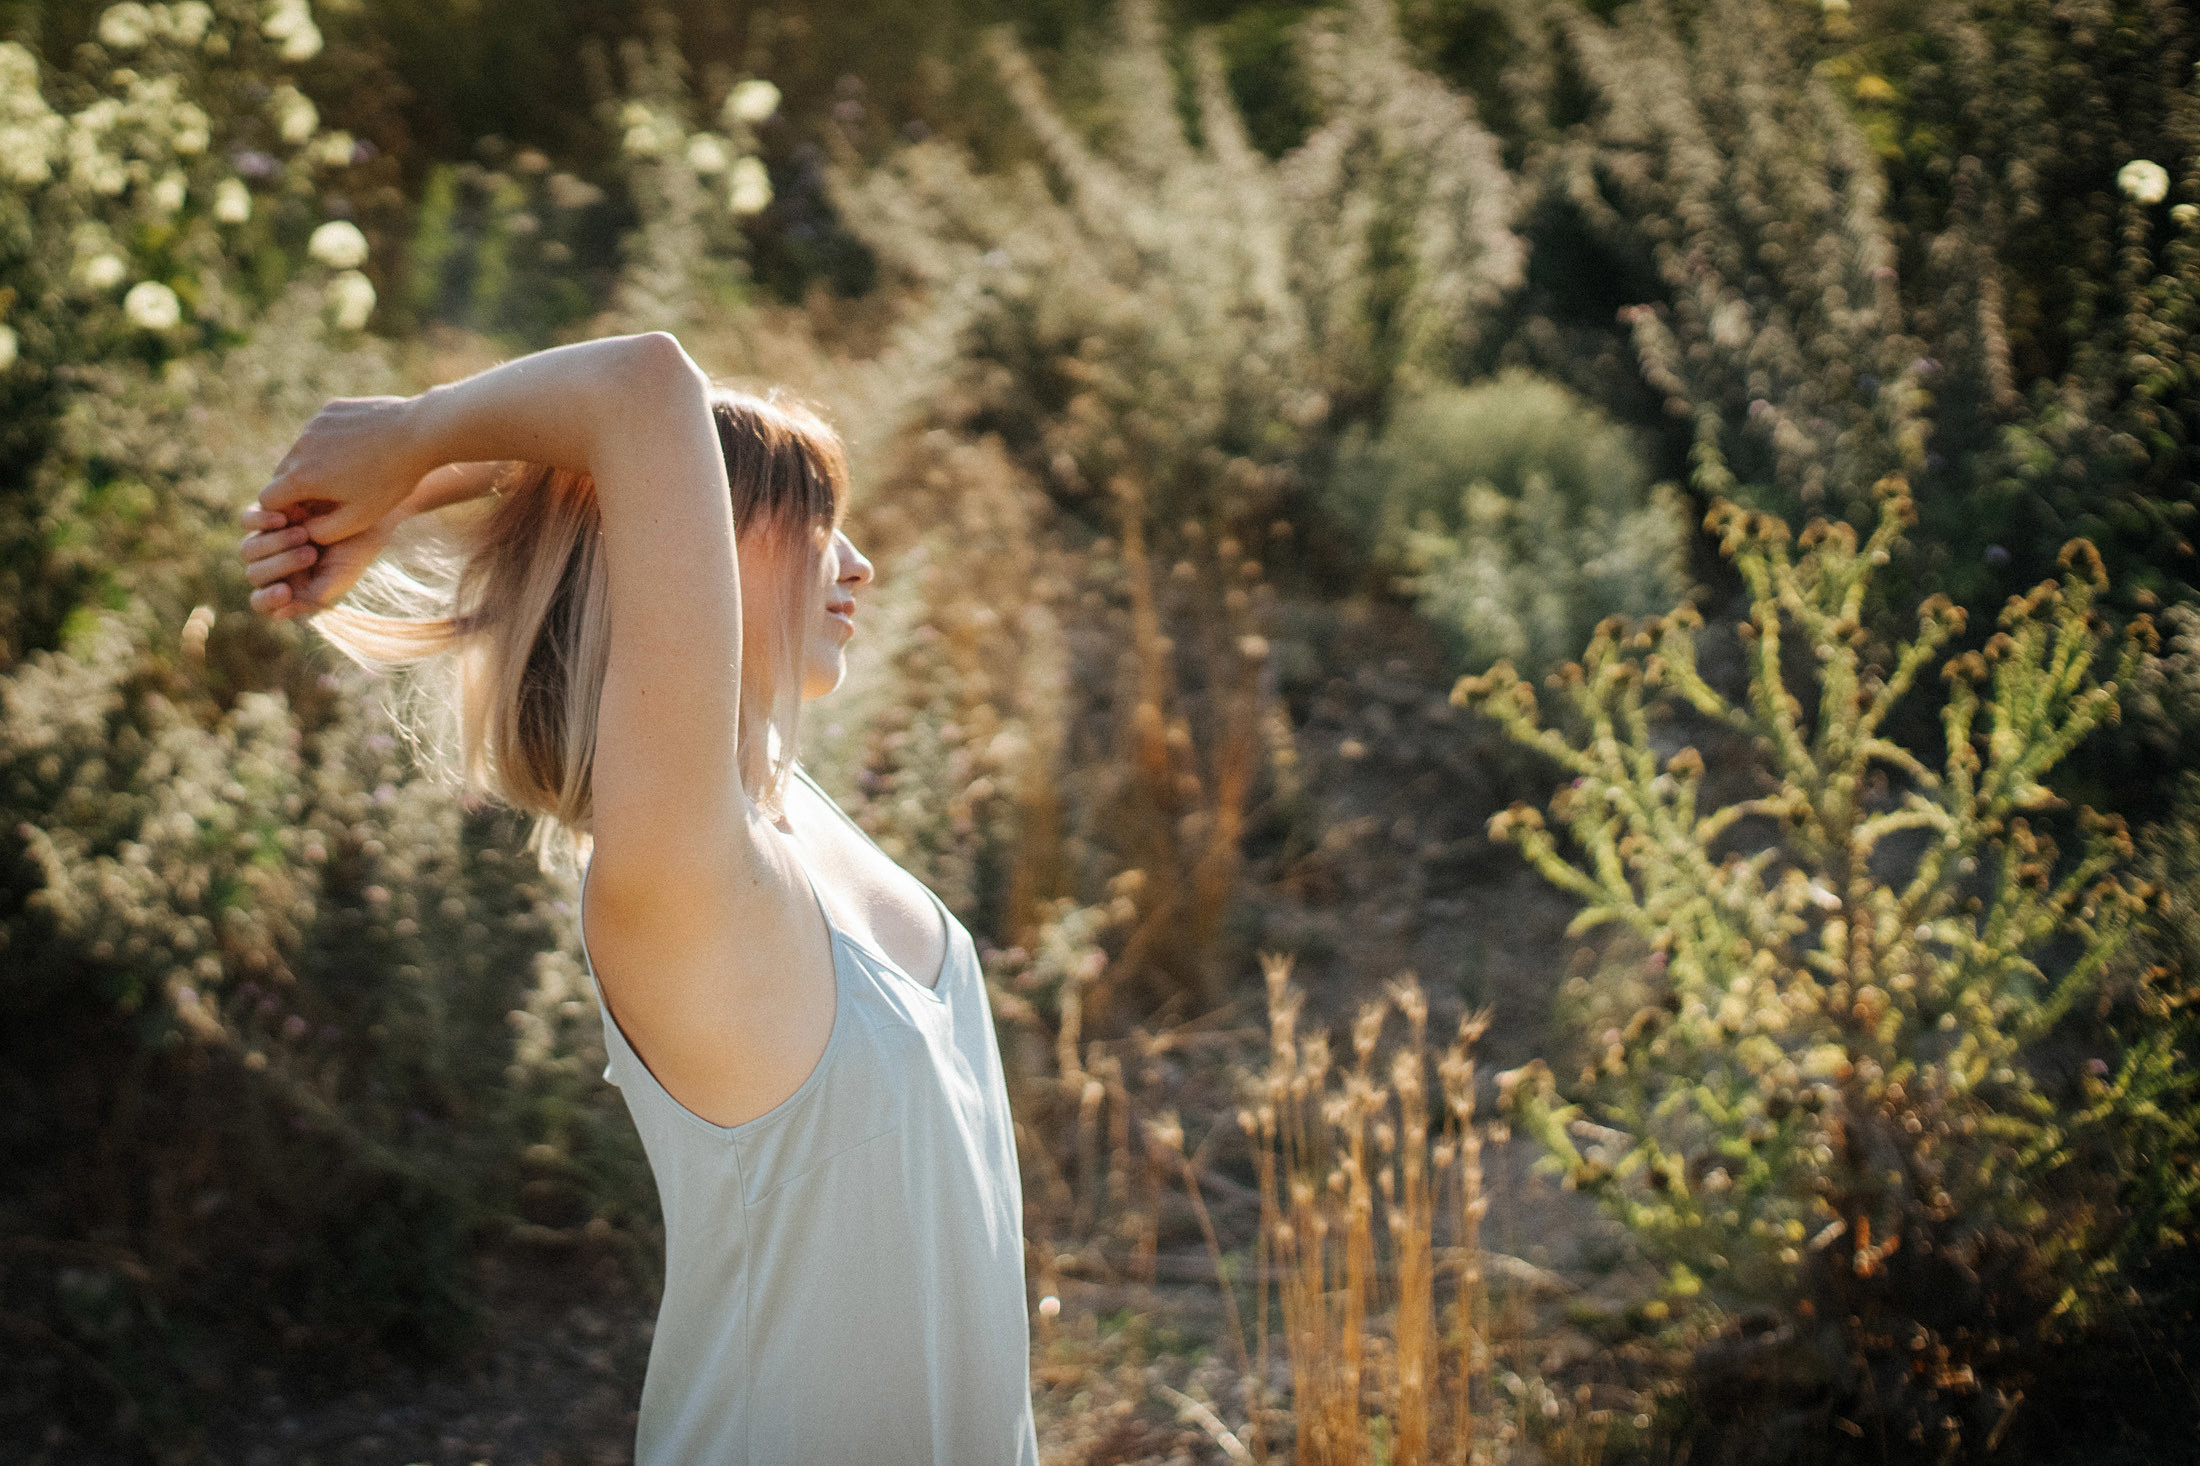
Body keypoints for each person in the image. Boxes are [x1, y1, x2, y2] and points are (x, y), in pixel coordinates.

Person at [237, 331, 1041, 1465]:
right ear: (681, 551)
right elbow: (641, 389)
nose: (857, 563)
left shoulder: (788, 815)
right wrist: (410, 437)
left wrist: (429, 484)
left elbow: (627, 448)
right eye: (811, 519)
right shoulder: (683, 866)